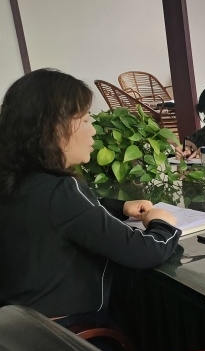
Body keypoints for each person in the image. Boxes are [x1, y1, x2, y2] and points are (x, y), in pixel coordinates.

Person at [0, 69, 181, 328]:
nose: (93, 131)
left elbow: (61, 216)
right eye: (85, 120)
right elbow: (144, 252)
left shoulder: (17, 180)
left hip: (19, 332)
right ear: (53, 128)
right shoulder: (61, 191)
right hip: (73, 335)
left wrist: (120, 207)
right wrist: (163, 224)